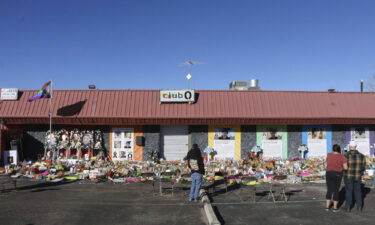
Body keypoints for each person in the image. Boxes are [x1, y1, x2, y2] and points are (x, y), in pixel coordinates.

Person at [344, 141, 366, 212]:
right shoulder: (362, 156)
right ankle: (359, 207)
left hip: (348, 176)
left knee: (348, 191)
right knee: (358, 191)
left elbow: (344, 167)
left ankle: (348, 207)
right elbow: (363, 167)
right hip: (358, 176)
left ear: (350, 146)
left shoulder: (345, 155)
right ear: (356, 147)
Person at [325, 144, 348, 212]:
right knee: (336, 190)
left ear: (333, 149)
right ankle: (335, 208)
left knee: (329, 190)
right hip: (337, 174)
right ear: (339, 149)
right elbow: (346, 167)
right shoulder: (342, 157)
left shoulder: (328, 155)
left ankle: (327, 207)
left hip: (328, 173)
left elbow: (328, 162)